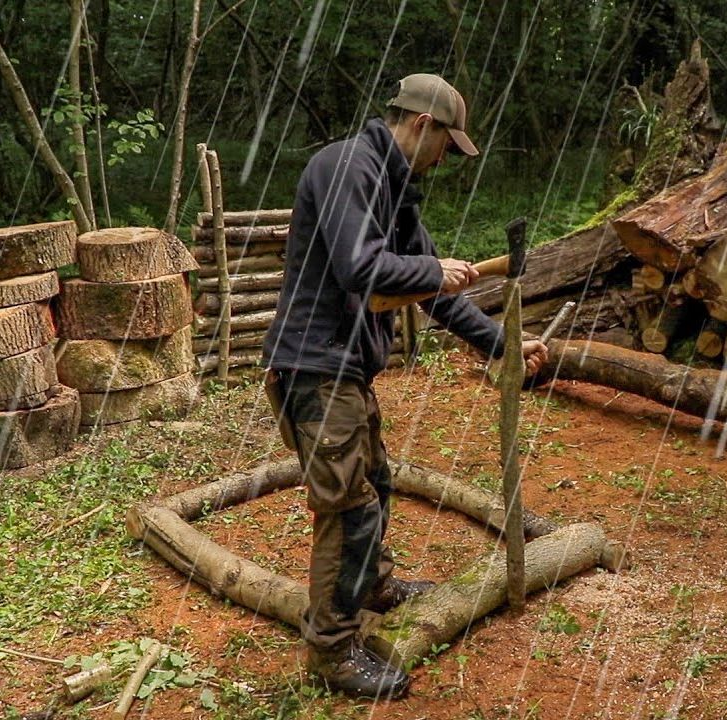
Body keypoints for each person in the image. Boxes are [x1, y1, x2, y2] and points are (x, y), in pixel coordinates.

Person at [261, 73, 548, 699]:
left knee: (377, 484)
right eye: (448, 143)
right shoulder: (345, 168)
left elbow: (435, 295)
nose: (448, 157)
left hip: (346, 369)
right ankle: (333, 651)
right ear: (422, 125)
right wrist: (431, 270)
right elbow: (360, 269)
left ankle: (373, 586)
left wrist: (502, 341)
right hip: (313, 367)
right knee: (348, 506)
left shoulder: (396, 190)